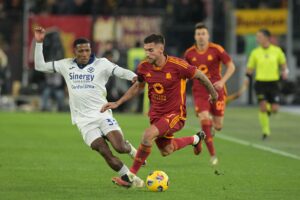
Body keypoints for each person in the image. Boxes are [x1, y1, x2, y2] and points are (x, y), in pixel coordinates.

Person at [101, 34, 218, 188]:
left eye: (151, 50)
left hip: (176, 114)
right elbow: (138, 86)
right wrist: (118, 102)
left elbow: (201, 76)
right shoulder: (144, 67)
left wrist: (214, 93)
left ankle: (130, 176)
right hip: (156, 115)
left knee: (147, 135)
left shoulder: (178, 65)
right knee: (166, 150)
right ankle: (196, 139)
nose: (147, 53)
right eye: (146, 50)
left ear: (161, 49)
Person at [33, 26, 145, 187]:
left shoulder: (102, 63)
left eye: (87, 50)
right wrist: (39, 43)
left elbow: (119, 71)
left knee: (120, 147)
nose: (85, 54)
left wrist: (133, 76)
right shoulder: (66, 64)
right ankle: (132, 180)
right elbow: (39, 66)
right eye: (81, 51)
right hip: (83, 121)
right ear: (74, 52)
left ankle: (130, 149)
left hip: (102, 113)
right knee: (104, 152)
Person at [184, 23, 236, 166]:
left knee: (218, 126)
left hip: (217, 89)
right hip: (199, 91)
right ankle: (213, 155)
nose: (201, 36)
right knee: (204, 118)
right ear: (195, 36)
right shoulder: (189, 53)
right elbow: (185, 74)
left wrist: (222, 81)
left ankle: (204, 133)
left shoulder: (216, 49)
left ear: (208, 36)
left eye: (203, 33)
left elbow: (231, 66)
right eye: (198, 34)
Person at [246, 28, 288, 140]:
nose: (257, 39)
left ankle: (267, 110)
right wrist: (247, 76)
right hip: (260, 83)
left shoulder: (277, 51)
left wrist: (285, 72)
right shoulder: (255, 52)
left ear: (267, 38)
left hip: (274, 83)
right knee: (263, 106)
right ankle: (265, 131)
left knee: (275, 109)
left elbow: (283, 64)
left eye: (259, 36)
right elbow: (250, 68)